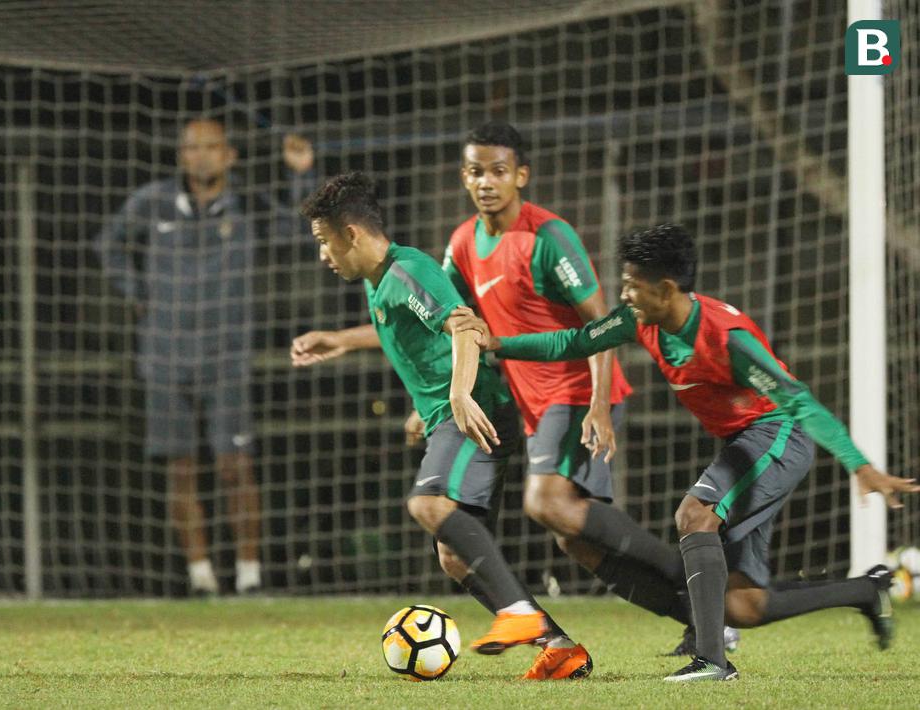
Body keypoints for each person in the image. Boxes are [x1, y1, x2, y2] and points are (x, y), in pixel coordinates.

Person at [487, 222, 918, 681]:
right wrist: (497, 344)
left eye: (633, 285)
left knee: (695, 514)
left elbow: (798, 400)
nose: (625, 294)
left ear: (667, 288)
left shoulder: (726, 338)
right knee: (742, 606)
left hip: (776, 435)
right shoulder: (638, 319)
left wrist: (860, 464)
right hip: (743, 442)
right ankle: (865, 591)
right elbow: (574, 341)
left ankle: (713, 661)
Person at [435, 122, 733, 656]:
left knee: (545, 502)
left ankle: (714, 594)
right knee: (576, 540)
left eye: (498, 171)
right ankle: (699, 613)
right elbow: (461, 327)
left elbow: (600, 323)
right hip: (533, 401)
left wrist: (598, 404)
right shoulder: (462, 245)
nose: (486, 182)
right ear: (464, 176)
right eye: (476, 171)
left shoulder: (549, 237)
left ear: (520, 176)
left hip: (578, 389)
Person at [291, 171, 592, 681]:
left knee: (428, 504)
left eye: (324, 242)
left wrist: (455, 395)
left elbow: (464, 327)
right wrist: (341, 339)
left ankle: (519, 615)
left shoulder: (408, 270)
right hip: (450, 416)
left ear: (351, 235)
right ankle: (560, 646)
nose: (323, 255)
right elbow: (406, 330)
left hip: (474, 410)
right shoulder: (382, 280)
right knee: (454, 557)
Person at [95, 117, 315, 595]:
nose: (201, 156)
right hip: (165, 355)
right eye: (191, 148)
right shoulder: (153, 202)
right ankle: (200, 576)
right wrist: (136, 293)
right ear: (181, 155)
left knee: (235, 465)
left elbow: (301, 233)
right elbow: (108, 244)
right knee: (181, 466)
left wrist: (300, 173)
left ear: (230, 155)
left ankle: (250, 575)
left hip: (227, 357)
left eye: (211, 147)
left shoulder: (249, 205)